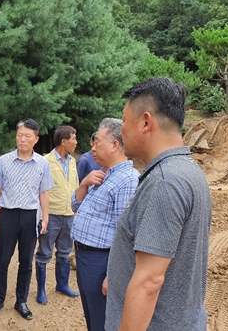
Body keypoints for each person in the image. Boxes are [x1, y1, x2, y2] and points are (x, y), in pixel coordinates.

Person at [105, 77, 212, 331]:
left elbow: (149, 283)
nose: (121, 131)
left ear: (145, 122)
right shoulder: (188, 170)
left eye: (125, 121)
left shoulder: (164, 182)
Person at [70, 118, 139, 331]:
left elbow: (125, 234)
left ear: (115, 144)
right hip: (86, 257)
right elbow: (75, 206)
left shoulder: (127, 180)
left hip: (101, 261)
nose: (92, 148)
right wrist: (84, 184)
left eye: (97, 141)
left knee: (102, 319)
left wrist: (113, 274)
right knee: (92, 314)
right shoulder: (104, 174)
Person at [0, 118, 54, 320]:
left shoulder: (42, 163)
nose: (22, 139)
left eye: (27, 136)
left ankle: (21, 300)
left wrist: (45, 218)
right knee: (2, 259)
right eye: (19, 135)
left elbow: (44, 192)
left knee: (26, 260)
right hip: (8, 214)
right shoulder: (5, 160)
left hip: (30, 216)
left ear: (36, 139)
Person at [35, 125, 80, 305]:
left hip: (69, 215)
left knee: (65, 252)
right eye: (73, 139)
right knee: (44, 252)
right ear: (64, 141)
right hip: (51, 215)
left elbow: (75, 187)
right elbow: (40, 189)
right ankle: (41, 290)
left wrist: (76, 211)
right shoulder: (45, 161)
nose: (76, 143)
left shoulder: (73, 161)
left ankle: (62, 285)